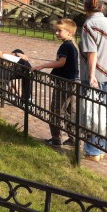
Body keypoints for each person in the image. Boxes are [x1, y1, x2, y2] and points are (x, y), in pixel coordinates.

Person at [79, 0, 107, 161]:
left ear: (85, 8)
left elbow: (91, 52)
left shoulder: (89, 24)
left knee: (92, 112)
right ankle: (101, 148)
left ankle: (92, 151)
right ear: (102, 7)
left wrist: (91, 75)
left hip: (95, 73)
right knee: (103, 112)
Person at [32, 18, 79, 146]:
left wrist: (42, 66)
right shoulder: (74, 45)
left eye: (59, 31)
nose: (56, 33)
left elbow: (61, 62)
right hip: (73, 81)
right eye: (56, 31)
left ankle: (56, 138)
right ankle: (73, 138)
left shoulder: (66, 45)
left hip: (64, 82)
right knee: (70, 111)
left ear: (69, 32)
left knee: (56, 110)